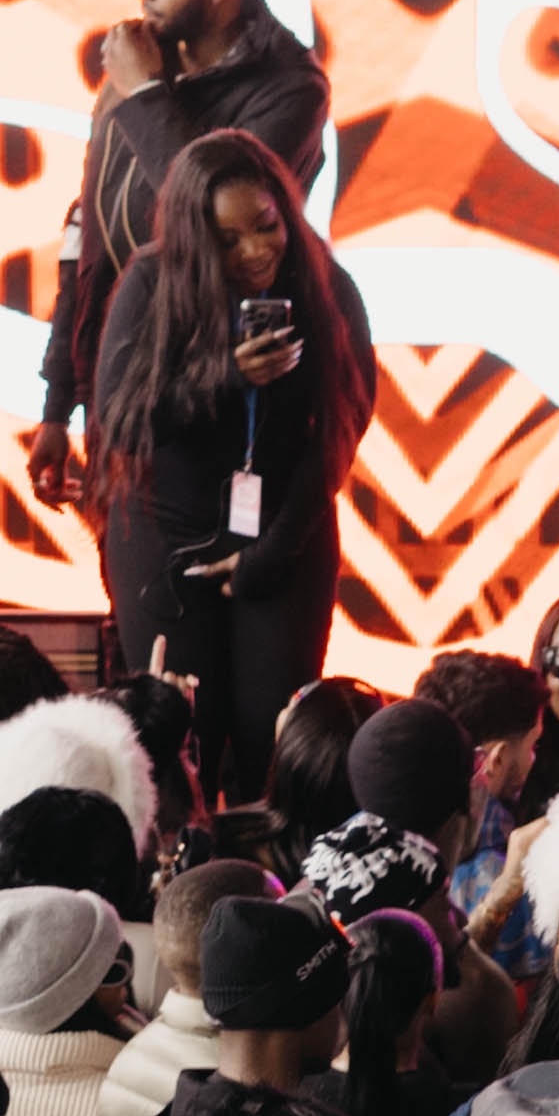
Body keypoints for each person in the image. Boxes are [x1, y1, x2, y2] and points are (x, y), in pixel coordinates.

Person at [29, 0, 328, 521]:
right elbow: (86, 240)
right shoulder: (136, 71)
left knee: (225, 592)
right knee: (132, 604)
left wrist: (142, 94)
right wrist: (58, 403)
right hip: (119, 390)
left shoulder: (290, 89)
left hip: (225, 394)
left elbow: (210, 207)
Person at [68, 124, 372, 730]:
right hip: (165, 533)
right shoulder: (152, 283)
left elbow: (341, 432)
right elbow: (122, 424)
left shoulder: (324, 283)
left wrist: (274, 550)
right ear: (195, 239)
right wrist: (224, 376)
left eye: (266, 226)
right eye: (228, 240)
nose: (256, 251)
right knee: (181, 731)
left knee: (273, 733)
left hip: (287, 529)